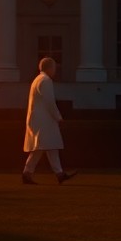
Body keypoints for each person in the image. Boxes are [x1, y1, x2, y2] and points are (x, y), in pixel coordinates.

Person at [21, 55, 78, 185]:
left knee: (44, 147)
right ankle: (57, 174)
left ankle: (55, 174)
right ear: (50, 68)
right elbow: (49, 101)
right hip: (44, 121)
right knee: (48, 146)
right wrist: (58, 116)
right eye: (54, 67)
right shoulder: (46, 80)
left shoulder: (37, 79)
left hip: (38, 120)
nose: (55, 70)